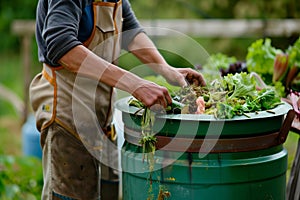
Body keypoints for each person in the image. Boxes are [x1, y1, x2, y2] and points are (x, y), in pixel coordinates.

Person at [29, 0, 206, 199]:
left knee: (109, 190)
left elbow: (131, 32)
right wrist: (134, 83)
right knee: (73, 193)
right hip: (67, 112)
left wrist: (167, 70)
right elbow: (60, 45)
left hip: (102, 115)